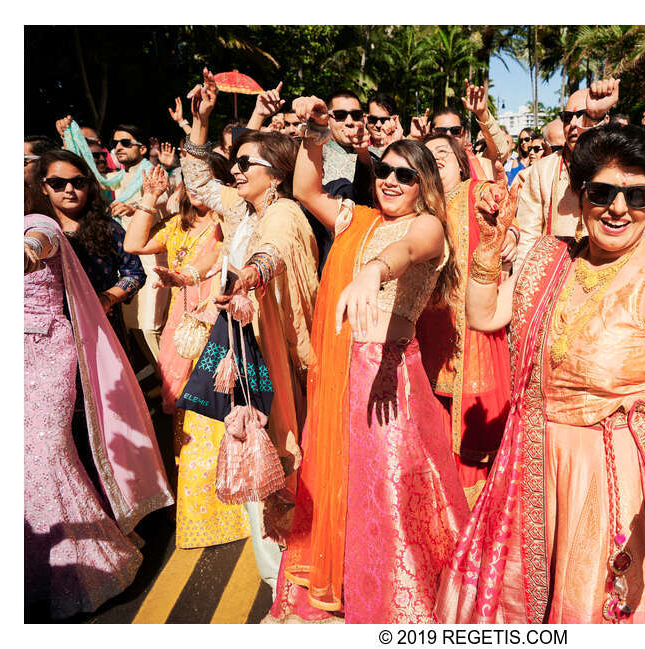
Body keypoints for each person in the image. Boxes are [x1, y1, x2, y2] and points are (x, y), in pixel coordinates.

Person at [437, 124, 645, 624]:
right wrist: (488, 247)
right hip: (528, 464)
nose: (618, 208)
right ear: (580, 193)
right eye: (603, 192)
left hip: (609, 480)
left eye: (637, 196)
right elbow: (484, 317)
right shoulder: (550, 256)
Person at [269, 100, 468, 623]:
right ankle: (354, 586)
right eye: (384, 170)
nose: (392, 180)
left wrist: (372, 272)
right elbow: (306, 190)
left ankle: (399, 606)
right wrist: (315, 132)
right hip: (345, 374)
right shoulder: (358, 218)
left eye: (406, 174)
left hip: (391, 378)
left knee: (390, 491)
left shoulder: (428, 227)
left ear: (425, 184)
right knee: (348, 487)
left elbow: (406, 250)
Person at [181, 68, 321, 585]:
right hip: (245, 350)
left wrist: (252, 277)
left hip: (273, 355)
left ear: (277, 174)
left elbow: (275, 251)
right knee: (252, 448)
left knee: (279, 453)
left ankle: (290, 575)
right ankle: (281, 572)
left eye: (245, 164)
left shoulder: (283, 213)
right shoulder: (243, 209)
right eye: (235, 163)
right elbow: (198, 181)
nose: (234, 171)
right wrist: (200, 125)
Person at [24, 193, 174, 620]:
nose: (66, 191)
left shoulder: (42, 225)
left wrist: (111, 296)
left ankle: (100, 551)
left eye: (73, 181)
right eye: (57, 182)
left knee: (52, 452)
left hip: (66, 347)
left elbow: (131, 270)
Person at [124, 161, 252, 551]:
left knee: (215, 408)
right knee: (185, 410)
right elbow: (132, 245)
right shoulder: (176, 227)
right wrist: (149, 198)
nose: (194, 189)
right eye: (189, 182)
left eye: (203, 181)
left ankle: (226, 504)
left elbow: (212, 265)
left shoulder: (228, 224)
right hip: (182, 325)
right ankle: (200, 502)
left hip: (216, 318)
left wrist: (186, 278)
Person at [414, 133, 515, 506]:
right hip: (431, 328)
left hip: (471, 330)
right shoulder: (423, 204)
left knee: (472, 422)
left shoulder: (474, 192)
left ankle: (475, 512)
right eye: (429, 154)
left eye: (444, 152)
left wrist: (512, 234)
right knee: (436, 417)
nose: (436, 158)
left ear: (461, 163)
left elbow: (500, 204)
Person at [56, 116, 171, 375]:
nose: (118, 147)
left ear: (142, 149)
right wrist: (67, 138)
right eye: (115, 142)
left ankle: (173, 388)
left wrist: (138, 209)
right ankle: (161, 382)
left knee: (150, 326)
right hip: (120, 259)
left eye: (126, 142)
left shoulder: (155, 175)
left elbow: (171, 210)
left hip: (150, 262)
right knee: (134, 328)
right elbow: (75, 175)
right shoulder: (115, 178)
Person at [34, 150, 146, 348]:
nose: (69, 189)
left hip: (101, 327)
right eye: (57, 183)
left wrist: (106, 299)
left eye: (78, 183)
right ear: (44, 187)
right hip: (48, 337)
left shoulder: (109, 228)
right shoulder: (35, 231)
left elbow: (135, 274)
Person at [514, 80, 619, 267]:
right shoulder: (541, 171)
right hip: (554, 275)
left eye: (582, 115)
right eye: (567, 116)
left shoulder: (618, 167)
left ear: (603, 119)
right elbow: (527, 238)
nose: (572, 123)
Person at [323, 90, 364, 184]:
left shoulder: (376, 155)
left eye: (356, 115)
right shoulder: (315, 155)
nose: (349, 122)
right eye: (340, 115)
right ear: (327, 120)